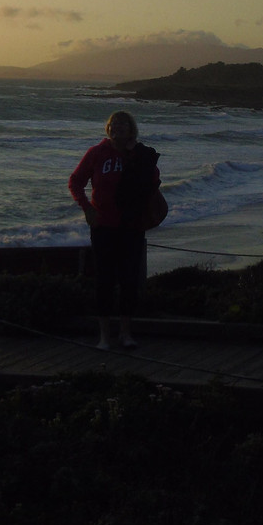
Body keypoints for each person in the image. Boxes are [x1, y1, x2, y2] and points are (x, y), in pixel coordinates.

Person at [69, 111, 161, 350]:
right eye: (114, 123)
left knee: (130, 279)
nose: (118, 127)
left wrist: (136, 157)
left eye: (124, 124)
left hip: (132, 225)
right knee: (105, 280)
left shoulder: (141, 154)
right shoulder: (97, 153)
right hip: (104, 226)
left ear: (132, 130)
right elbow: (76, 181)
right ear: (108, 128)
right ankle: (104, 336)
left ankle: (126, 333)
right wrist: (86, 208)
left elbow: (153, 183)